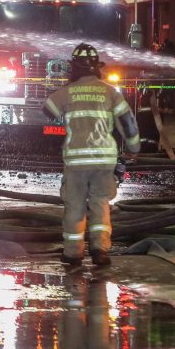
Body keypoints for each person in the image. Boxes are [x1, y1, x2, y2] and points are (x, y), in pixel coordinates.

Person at [43, 43, 140, 267]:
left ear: (73, 67)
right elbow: (128, 122)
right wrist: (133, 149)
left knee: (75, 206)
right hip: (104, 159)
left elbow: (47, 109)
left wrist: (66, 110)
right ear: (97, 67)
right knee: (100, 204)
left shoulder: (67, 92)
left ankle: (73, 253)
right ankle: (100, 251)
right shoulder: (109, 91)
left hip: (76, 160)